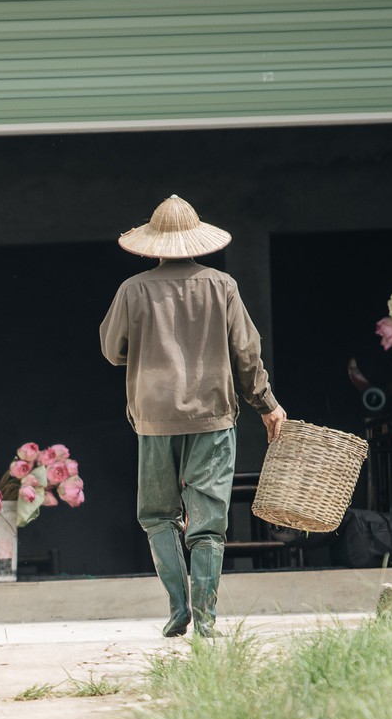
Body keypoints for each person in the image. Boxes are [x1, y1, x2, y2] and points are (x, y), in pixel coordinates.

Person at [100, 195, 286, 639]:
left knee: (158, 515)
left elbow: (111, 351)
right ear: (198, 242)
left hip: (153, 419)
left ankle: (178, 608)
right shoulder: (222, 286)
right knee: (208, 523)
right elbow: (246, 354)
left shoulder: (133, 289)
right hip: (212, 418)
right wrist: (267, 404)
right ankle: (205, 619)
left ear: (154, 245)